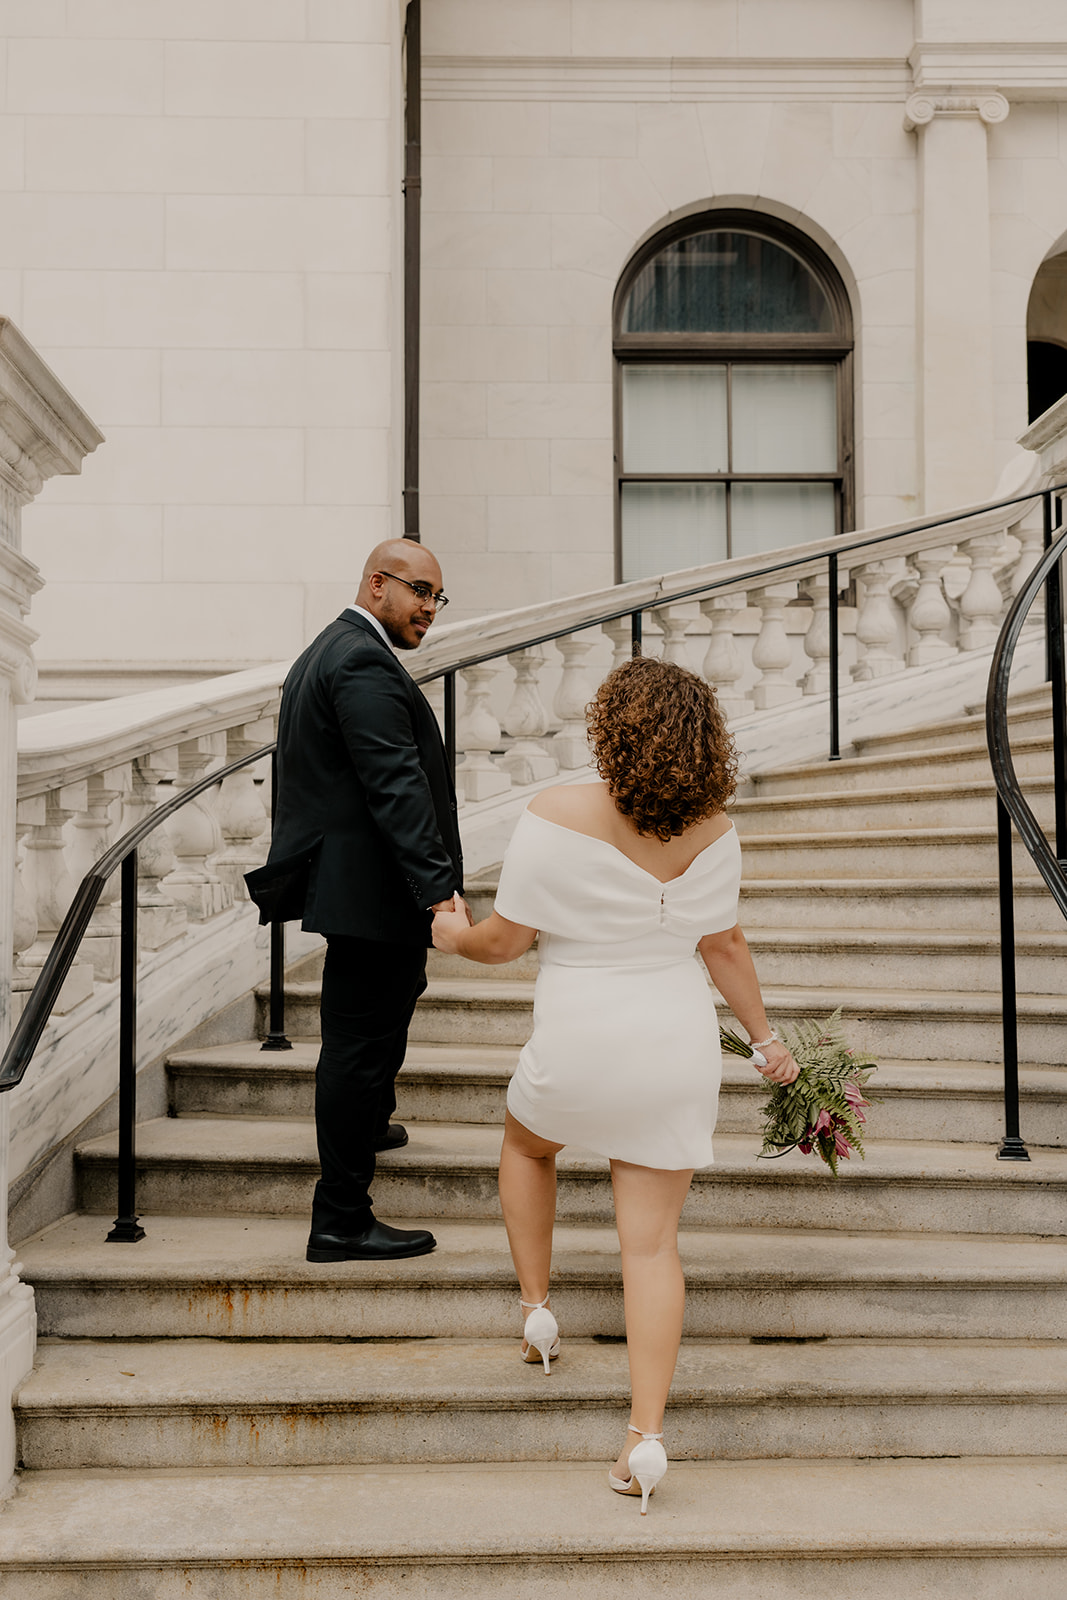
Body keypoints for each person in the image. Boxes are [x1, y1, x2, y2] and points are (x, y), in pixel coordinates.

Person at [431, 655, 798, 1512]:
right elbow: (724, 947)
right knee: (651, 1245)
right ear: (704, 741)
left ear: (611, 728)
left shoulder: (554, 813)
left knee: (527, 1143)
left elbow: (503, 943)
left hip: (580, 1038)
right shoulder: (716, 830)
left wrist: (450, 933)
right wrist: (764, 1040)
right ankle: (645, 1438)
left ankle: (536, 1313)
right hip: (673, 1049)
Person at [246, 539, 463, 1265]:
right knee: (358, 1051)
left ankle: (368, 1124)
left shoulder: (326, 649)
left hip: (363, 890)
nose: (429, 608)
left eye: (436, 597)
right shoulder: (363, 661)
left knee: (375, 1031)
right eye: (420, 592)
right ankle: (340, 1218)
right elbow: (393, 785)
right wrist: (437, 891)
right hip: (375, 893)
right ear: (378, 584)